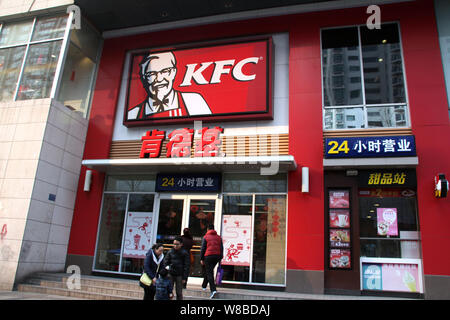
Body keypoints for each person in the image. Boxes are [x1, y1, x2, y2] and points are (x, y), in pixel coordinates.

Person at [127, 51, 212, 120]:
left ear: (174, 72)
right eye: (151, 74)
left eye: (165, 71)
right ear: (143, 78)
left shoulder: (193, 101)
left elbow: (201, 129)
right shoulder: (133, 114)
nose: (159, 79)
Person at [200, 224, 223, 299]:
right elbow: (221, 248)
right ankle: (204, 285)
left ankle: (213, 290)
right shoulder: (219, 237)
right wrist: (220, 257)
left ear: (208, 229)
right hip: (217, 256)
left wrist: (201, 258)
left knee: (209, 272)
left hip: (208, 256)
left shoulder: (205, 237)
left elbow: (203, 248)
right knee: (209, 270)